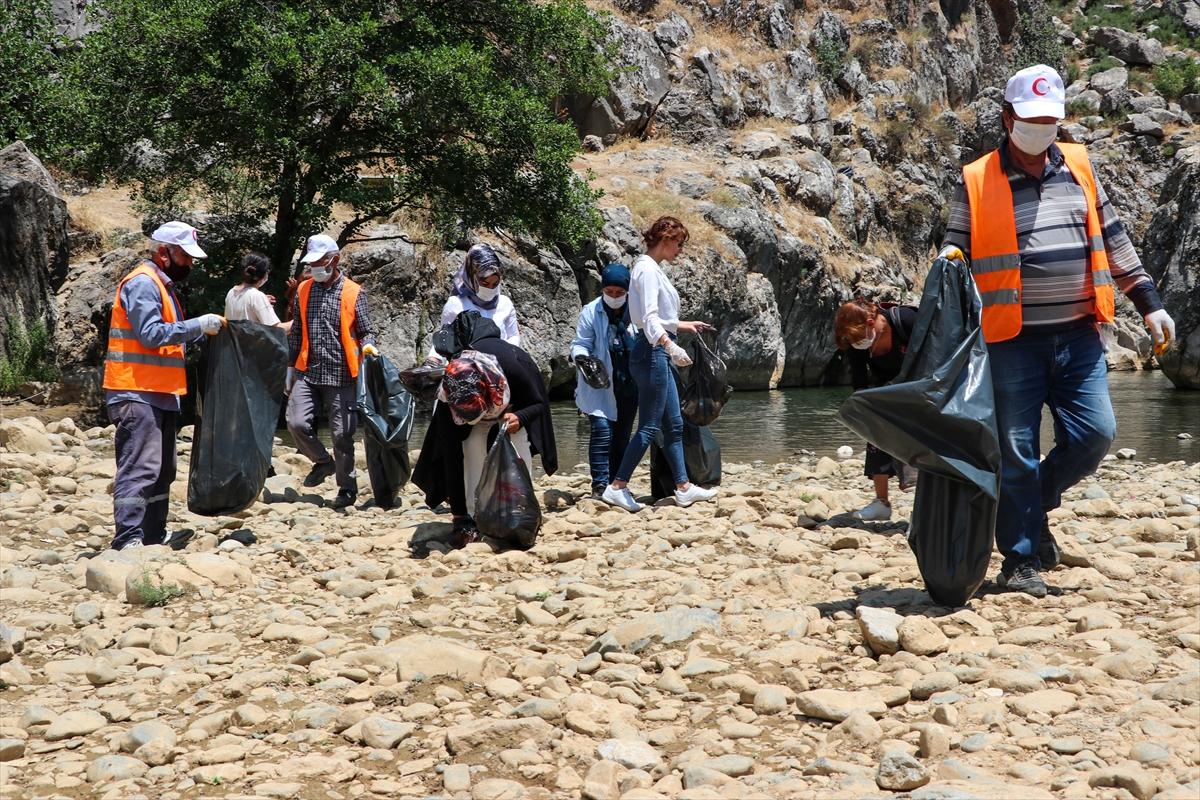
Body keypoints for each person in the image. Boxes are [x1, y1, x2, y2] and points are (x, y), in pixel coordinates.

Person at [940, 64, 1175, 598]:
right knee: (1016, 450)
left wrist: (1150, 303)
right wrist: (947, 285)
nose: (1041, 130)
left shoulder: (1080, 167)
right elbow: (954, 254)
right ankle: (1021, 561)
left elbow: (1114, 240)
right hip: (1009, 341)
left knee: (1096, 435)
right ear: (1007, 117)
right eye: (1030, 120)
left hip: (1078, 334)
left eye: (1050, 121)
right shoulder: (976, 178)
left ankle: (1030, 502)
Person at [102, 221, 224, 550]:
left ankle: (153, 533)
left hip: (160, 392)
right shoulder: (143, 283)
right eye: (185, 256)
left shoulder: (163, 285)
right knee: (141, 467)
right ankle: (127, 538)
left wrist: (196, 333)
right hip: (135, 390)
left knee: (162, 470)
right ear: (163, 253)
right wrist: (197, 326)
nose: (190, 263)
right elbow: (152, 334)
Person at [600, 216, 718, 512]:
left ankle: (683, 487)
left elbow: (649, 316)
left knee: (674, 423)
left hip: (653, 349)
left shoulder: (649, 268)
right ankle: (617, 487)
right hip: (652, 350)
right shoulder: (648, 270)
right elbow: (648, 320)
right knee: (651, 426)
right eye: (678, 243)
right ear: (665, 239)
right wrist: (669, 344)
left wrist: (682, 324)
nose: (680, 250)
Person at [412, 312, 557, 545]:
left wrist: (519, 416)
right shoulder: (451, 391)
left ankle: (521, 510)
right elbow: (451, 455)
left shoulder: (515, 365)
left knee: (518, 451)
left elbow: (539, 403)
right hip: (474, 409)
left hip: (515, 406)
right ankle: (474, 512)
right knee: (471, 448)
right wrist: (459, 515)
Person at [286, 234, 379, 509]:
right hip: (308, 371)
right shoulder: (304, 289)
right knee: (296, 422)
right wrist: (290, 367)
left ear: (334, 260)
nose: (314, 267)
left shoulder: (353, 292)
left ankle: (347, 489)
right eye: (311, 262)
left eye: (319, 261)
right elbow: (298, 330)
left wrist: (369, 346)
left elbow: (366, 330)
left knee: (342, 434)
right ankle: (323, 462)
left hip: (342, 375)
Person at [834, 298, 919, 521]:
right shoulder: (857, 344)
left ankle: (923, 504)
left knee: (922, 441)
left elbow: (935, 351)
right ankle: (881, 502)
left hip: (921, 385)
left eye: (861, 338)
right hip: (887, 391)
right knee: (874, 430)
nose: (860, 344)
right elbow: (860, 383)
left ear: (872, 322)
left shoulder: (906, 321)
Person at [572, 263, 639, 497]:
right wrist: (582, 359)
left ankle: (616, 483)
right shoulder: (591, 311)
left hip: (629, 385)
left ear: (628, 291)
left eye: (619, 293)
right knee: (602, 432)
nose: (613, 297)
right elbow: (580, 343)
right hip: (599, 383)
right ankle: (599, 485)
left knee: (621, 435)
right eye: (608, 292)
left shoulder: (637, 311)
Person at [429, 244, 521, 360]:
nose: (490, 289)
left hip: (502, 368)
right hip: (466, 370)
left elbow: (513, 335)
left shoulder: (505, 303)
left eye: (495, 284)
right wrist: (433, 360)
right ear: (471, 277)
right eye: (485, 284)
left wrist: (507, 355)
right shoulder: (456, 304)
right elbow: (445, 340)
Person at [224, 252, 290, 330]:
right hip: (251, 342)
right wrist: (298, 320)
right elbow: (277, 330)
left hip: (234, 342)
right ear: (264, 274)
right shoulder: (256, 296)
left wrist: (261, 301)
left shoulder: (231, 292)